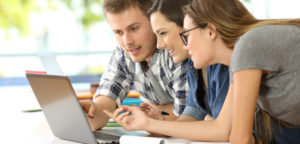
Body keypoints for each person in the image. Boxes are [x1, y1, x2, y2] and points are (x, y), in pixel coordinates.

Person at [104, 0, 300, 143]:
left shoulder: (248, 45)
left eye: (186, 35)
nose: (186, 46)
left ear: (210, 31)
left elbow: (235, 136)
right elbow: (225, 129)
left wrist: (150, 124)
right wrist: (152, 124)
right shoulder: (238, 61)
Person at [80, 0, 189, 130]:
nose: (127, 41)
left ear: (154, 20)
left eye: (133, 28)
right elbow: (106, 100)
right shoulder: (123, 54)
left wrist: (151, 114)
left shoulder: (175, 50)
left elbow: (187, 115)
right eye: (118, 32)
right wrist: (92, 110)